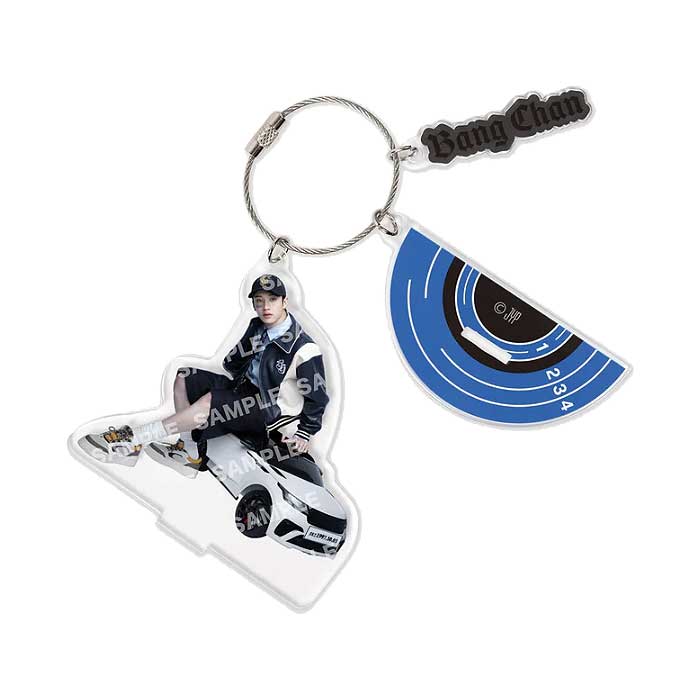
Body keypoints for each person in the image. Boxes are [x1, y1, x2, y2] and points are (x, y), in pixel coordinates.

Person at [79, 274, 329, 476]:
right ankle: (190, 453)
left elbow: (318, 396)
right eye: (259, 300)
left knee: (210, 402)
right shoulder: (257, 326)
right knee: (184, 376)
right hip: (243, 389)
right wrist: (252, 347)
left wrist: (304, 433)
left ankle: (136, 438)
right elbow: (232, 363)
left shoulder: (304, 348)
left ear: (285, 301)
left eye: (272, 299)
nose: (265, 307)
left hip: (268, 410)